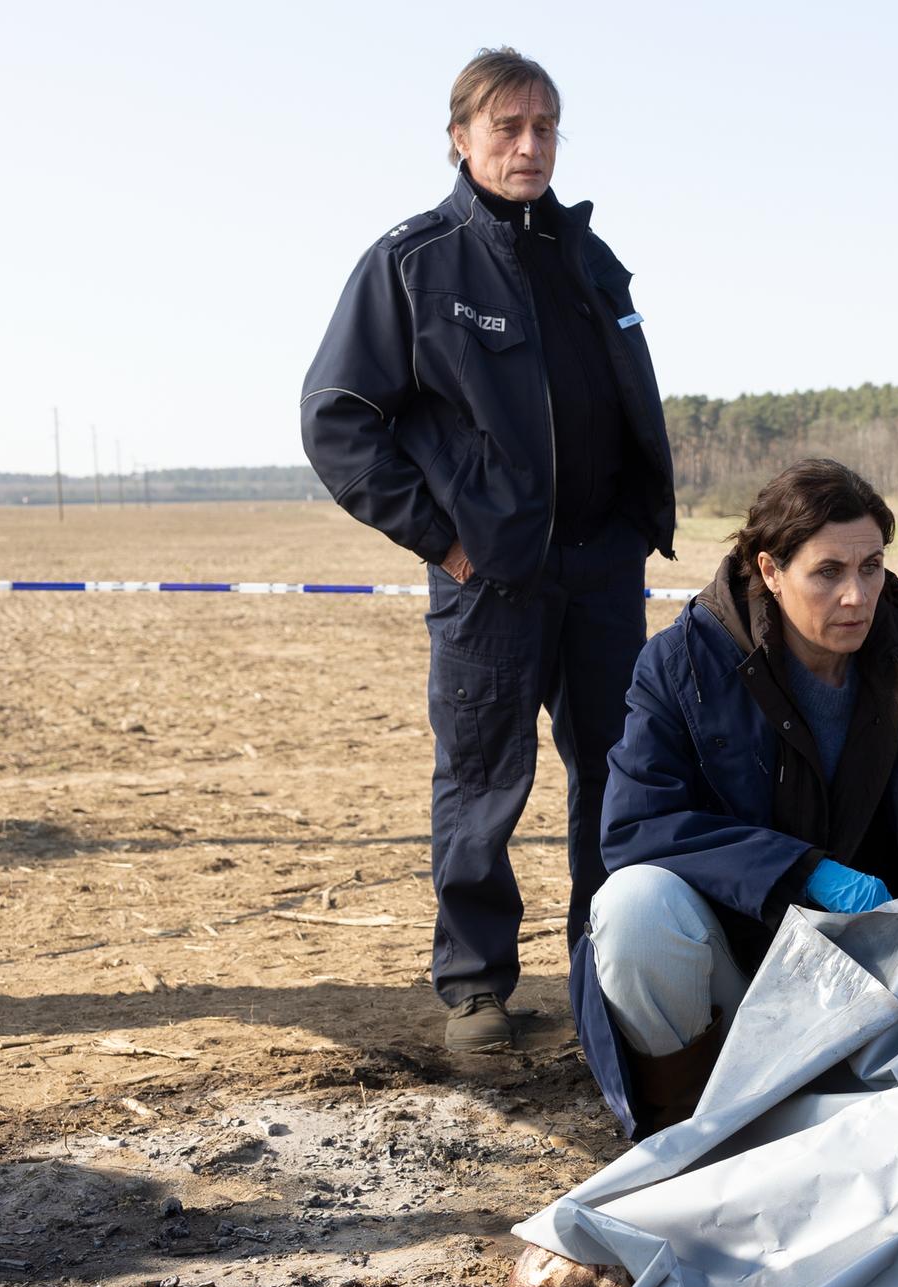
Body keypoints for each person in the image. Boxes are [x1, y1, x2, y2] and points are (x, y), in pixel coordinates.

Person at [299, 48, 678, 1053]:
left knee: (621, 772)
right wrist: (442, 539)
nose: (529, 145)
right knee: (482, 782)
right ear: (461, 139)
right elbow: (337, 418)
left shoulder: (591, 261)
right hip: (492, 580)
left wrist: (639, 524)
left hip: (602, 570)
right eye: (507, 127)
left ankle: (610, 976)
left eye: (545, 126)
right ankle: (475, 990)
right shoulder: (416, 261)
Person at [576, 459, 898, 1138]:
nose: (856, 596)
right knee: (634, 906)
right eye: (828, 573)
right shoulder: (682, 667)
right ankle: (686, 1133)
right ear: (770, 571)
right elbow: (637, 825)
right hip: (731, 977)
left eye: (872, 567)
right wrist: (800, 871)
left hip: (879, 984)